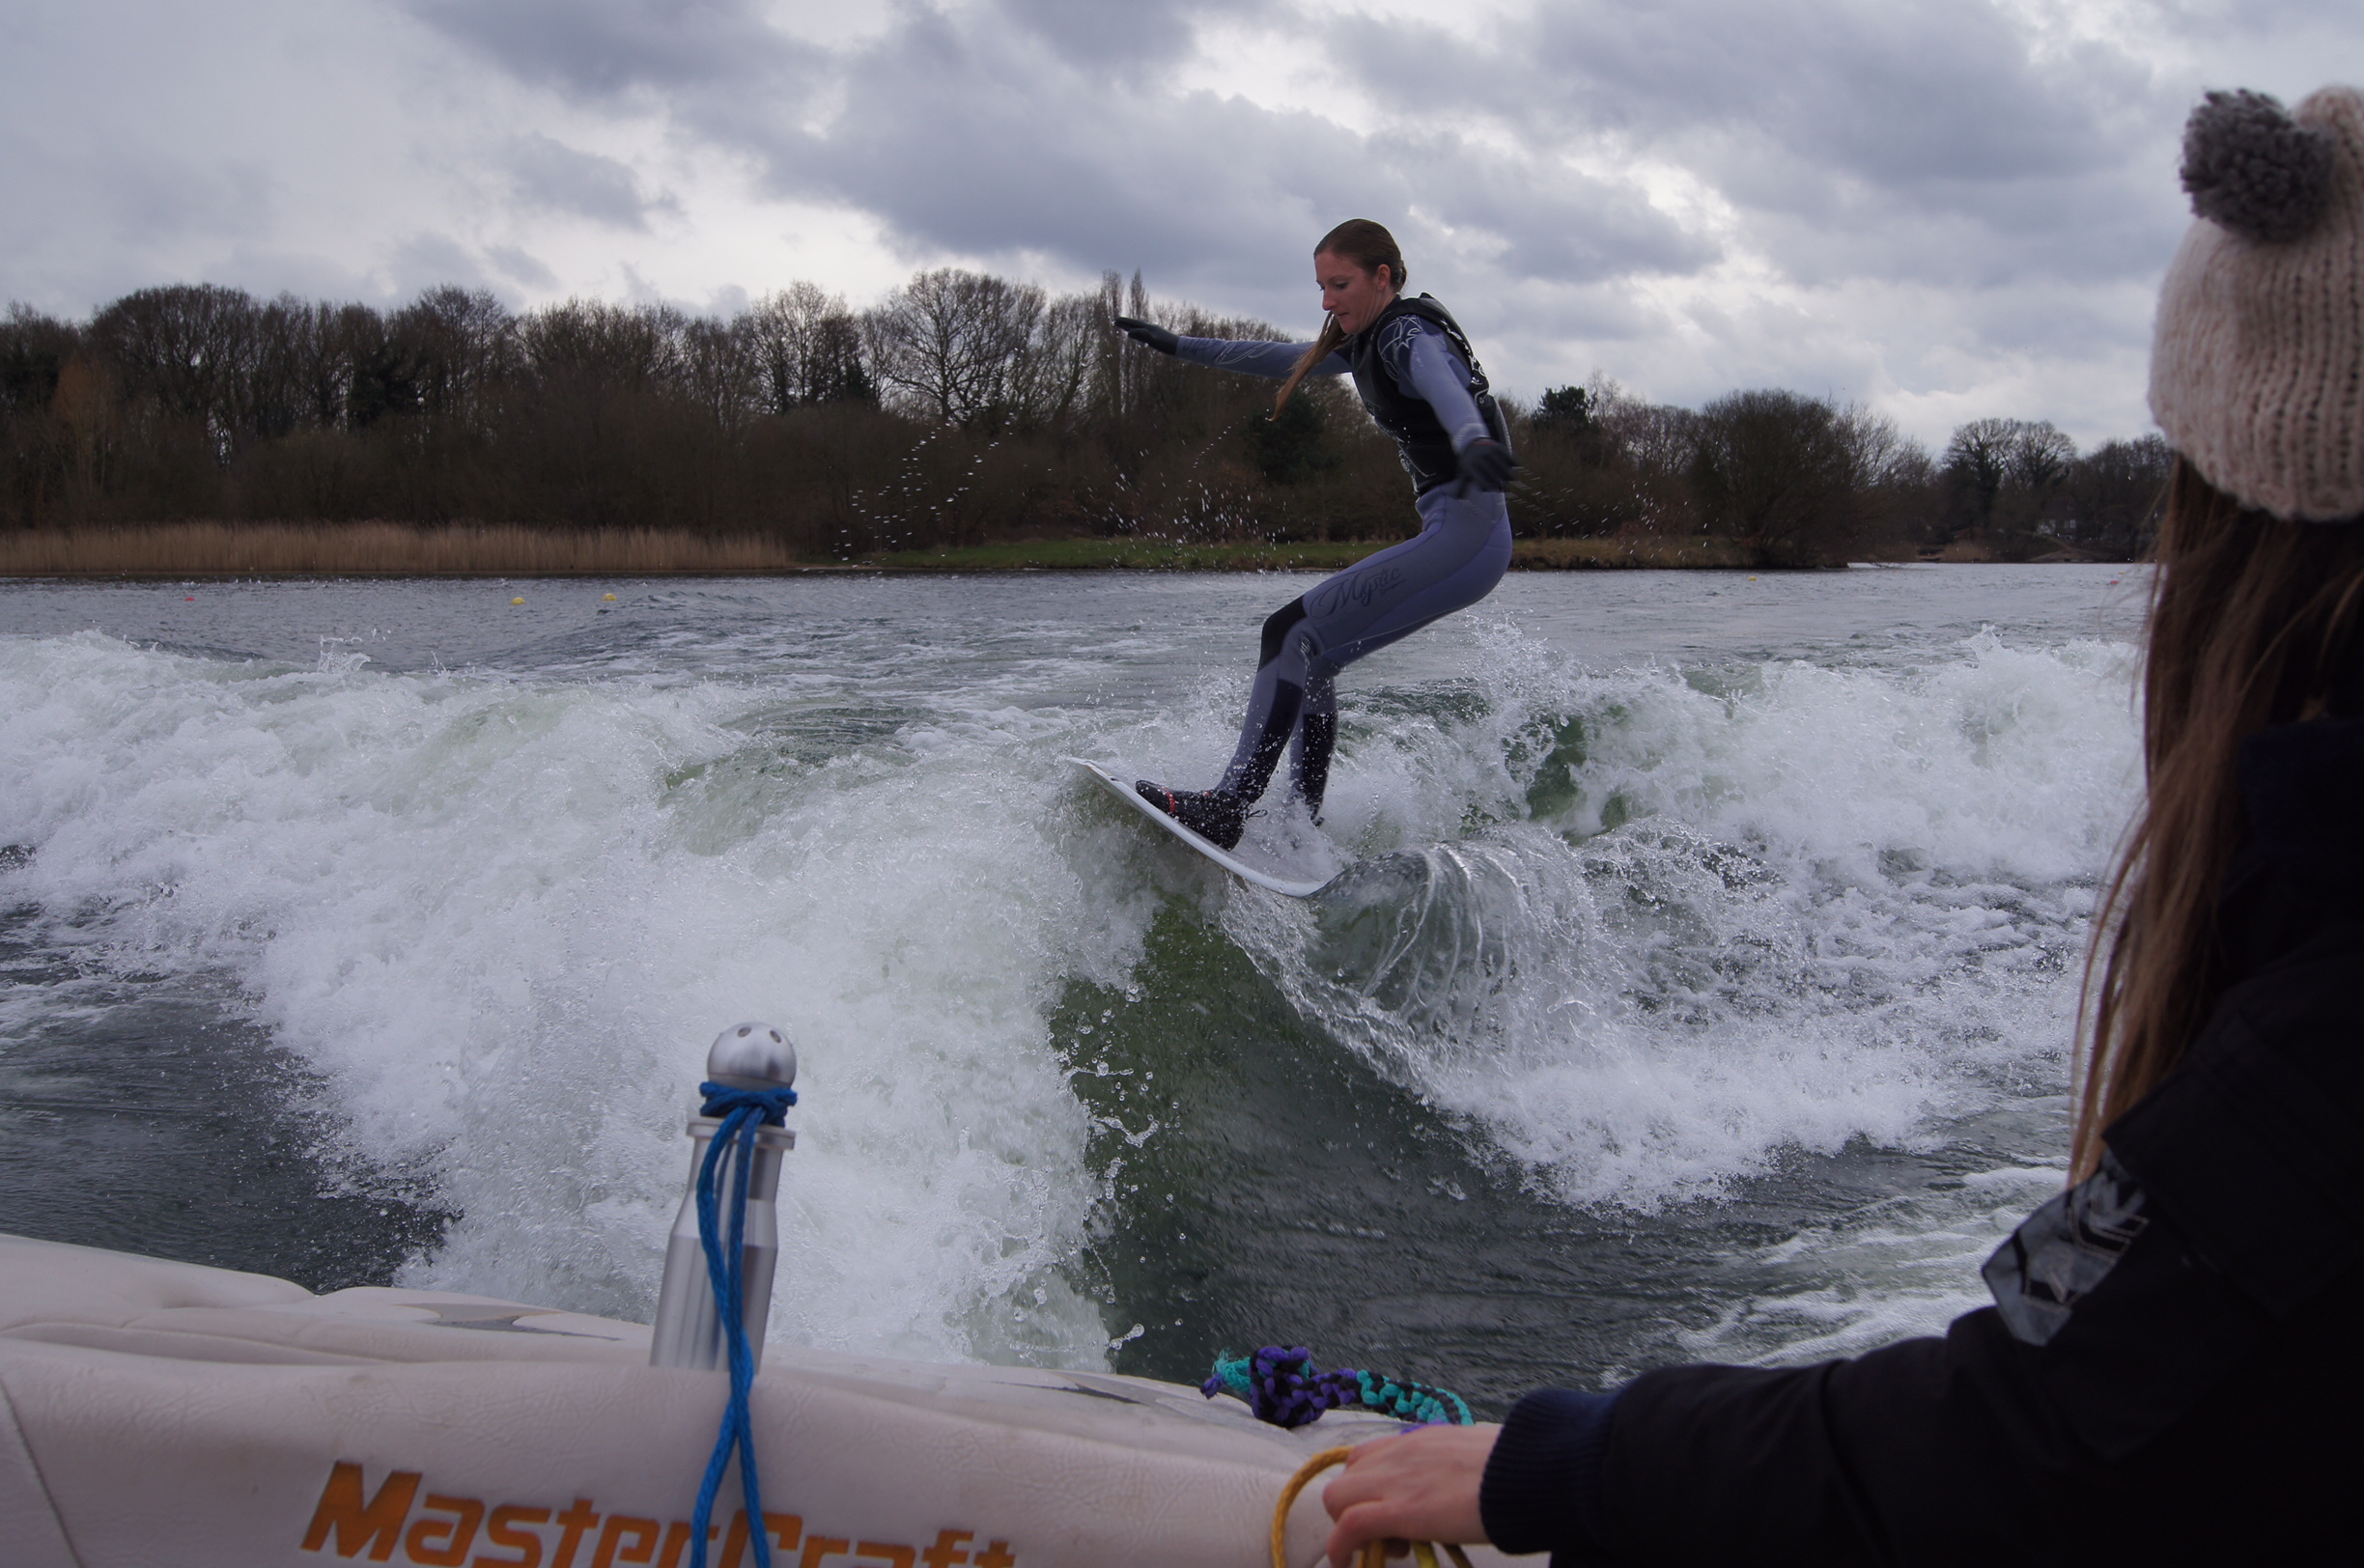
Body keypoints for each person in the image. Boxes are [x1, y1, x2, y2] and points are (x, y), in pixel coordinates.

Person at [1316, 86, 2364, 1566]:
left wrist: (1588, 1462)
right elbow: (2103, 1362)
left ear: (2239, 531)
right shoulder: (2305, 938)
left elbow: (2029, 1439)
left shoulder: (2318, 1034)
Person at [1113, 219, 1516, 850]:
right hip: (1469, 539)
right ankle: (1302, 822)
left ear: (1382, 277)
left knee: (1288, 633)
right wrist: (1178, 346)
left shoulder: (1406, 333)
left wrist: (1472, 438)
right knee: (1316, 660)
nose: (1327, 300)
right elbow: (1278, 357)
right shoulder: (1366, 340)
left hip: (1466, 537)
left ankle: (1228, 805)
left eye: (1340, 284)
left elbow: (1442, 382)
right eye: (1321, 287)